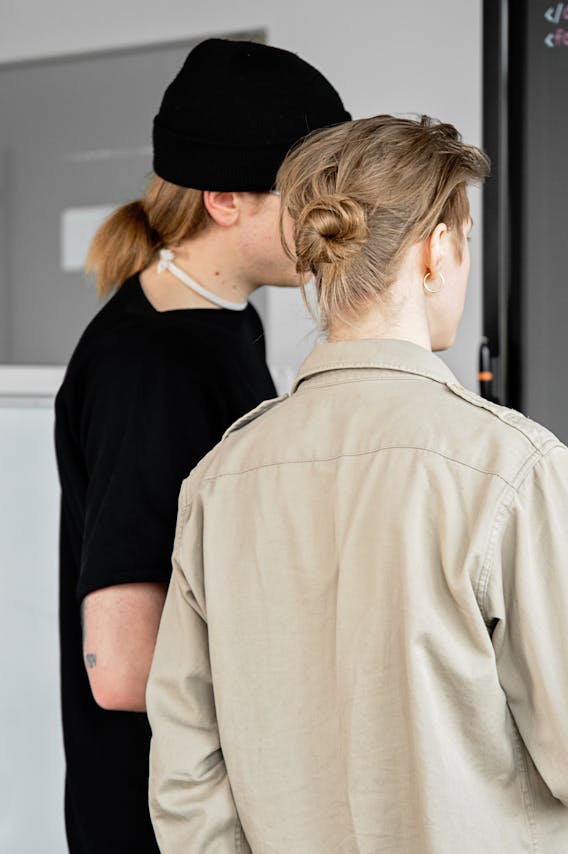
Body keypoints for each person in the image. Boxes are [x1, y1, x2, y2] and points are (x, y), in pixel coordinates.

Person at [145, 115, 568, 853]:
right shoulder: (513, 467)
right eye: (464, 243)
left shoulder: (219, 480)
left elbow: (185, 782)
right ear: (435, 253)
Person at [53, 39, 348, 854]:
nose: (339, 219)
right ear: (224, 201)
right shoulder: (150, 365)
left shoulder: (223, 324)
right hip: (165, 824)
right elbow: (122, 668)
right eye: (314, 195)